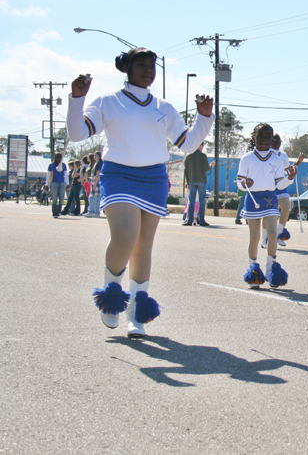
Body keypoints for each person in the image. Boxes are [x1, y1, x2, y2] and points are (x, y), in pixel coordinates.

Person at [67, 47, 214, 338]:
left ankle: (137, 314)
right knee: (125, 236)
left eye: (152, 65)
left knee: (143, 245)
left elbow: (186, 144)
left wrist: (204, 118)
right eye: (142, 65)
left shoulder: (164, 107)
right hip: (119, 175)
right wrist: (77, 99)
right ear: (127, 68)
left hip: (153, 178)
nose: (148, 70)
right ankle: (111, 295)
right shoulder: (108, 102)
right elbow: (76, 133)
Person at [238, 123, 297, 289]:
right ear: (254, 137)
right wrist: (244, 183)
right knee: (255, 237)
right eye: (261, 135)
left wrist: (290, 178)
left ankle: (271, 268)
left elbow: (279, 184)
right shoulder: (247, 158)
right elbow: (239, 182)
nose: (264, 139)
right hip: (253, 199)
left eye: (267, 136)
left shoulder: (277, 160)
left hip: (270, 198)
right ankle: (253, 270)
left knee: (272, 233)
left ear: (272, 139)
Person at [261, 134, 303, 248]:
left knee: (286, 206)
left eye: (279, 141)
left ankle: (279, 233)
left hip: (281, 183)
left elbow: (287, 169)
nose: (277, 143)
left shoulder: (283, 155)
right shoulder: (266, 152)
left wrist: (298, 162)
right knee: (269, 211)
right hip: (269, 184)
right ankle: (265, 238)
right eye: (275, 140)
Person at [183, 142, 214, 227]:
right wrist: (211, 165)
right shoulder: (203, 156)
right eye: (202, 145)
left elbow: (186, 170)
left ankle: (189, 220)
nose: (203, 147)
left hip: (192, 180)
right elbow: (206, 168)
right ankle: (201, 220)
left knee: (191, 201)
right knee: (202, 201)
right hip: (201, 181)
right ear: (200, 146)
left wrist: (187, 181)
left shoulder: (189, 156)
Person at [46, 153, 68, 218]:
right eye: (57, 157)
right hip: (54, 183)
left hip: (62, 183)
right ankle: (55, 212)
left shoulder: (63, 165)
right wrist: (47, 184)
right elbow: (48, 175)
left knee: (62, 198)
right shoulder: (51, 165)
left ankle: (59, 210)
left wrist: (67, 183)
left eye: (60, 157)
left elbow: (65, 174)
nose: (58, 159)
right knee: (54, 198)